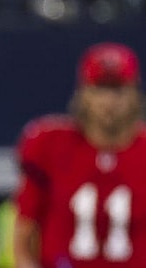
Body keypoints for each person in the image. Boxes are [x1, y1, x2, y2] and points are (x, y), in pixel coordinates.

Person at [13, 42, 146, 268]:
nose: (109, 102)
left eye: (118, 89)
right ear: (83, 93)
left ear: (135, 93)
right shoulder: (49, 144)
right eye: (100, 88)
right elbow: (25, 235)